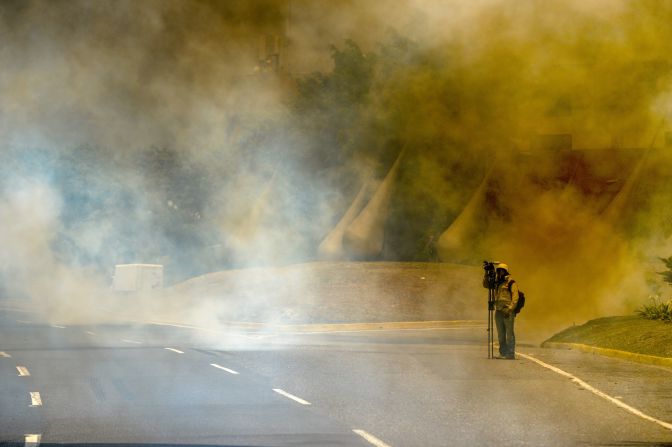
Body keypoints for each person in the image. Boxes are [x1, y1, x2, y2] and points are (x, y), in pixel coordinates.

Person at [488, 263, 519, 359]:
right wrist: (487, 273)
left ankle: (510, 354)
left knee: (509, 333)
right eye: (498, 271)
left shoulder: (511, 282)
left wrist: (510, 309)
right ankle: (503, 353)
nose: (500, 272)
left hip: (507, 311)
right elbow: (486, 285)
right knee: (501, 334)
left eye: (502, 270)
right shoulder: (497, 283)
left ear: (505, 271)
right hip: (498, 311)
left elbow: (515, 297)